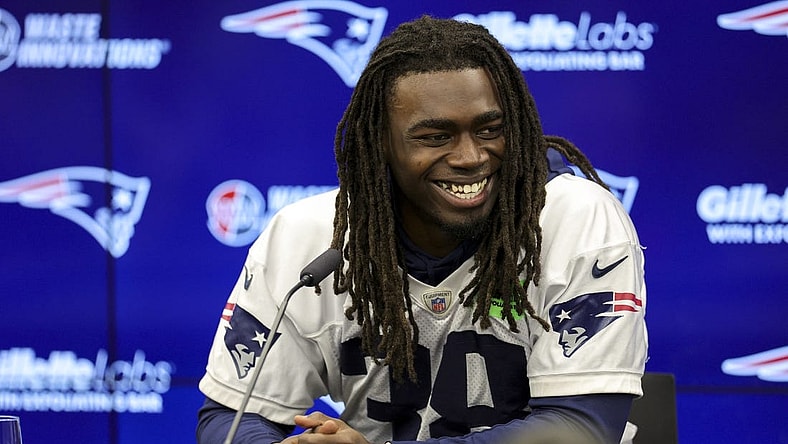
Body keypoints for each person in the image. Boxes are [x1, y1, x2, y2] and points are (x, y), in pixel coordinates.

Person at [196, 15, 647, 444]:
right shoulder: (309, 237)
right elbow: (233, 416)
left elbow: (579, 429)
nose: (471, 157)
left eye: (490, 129)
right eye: (435, 137)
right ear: (382, 145)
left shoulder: (574, 217)